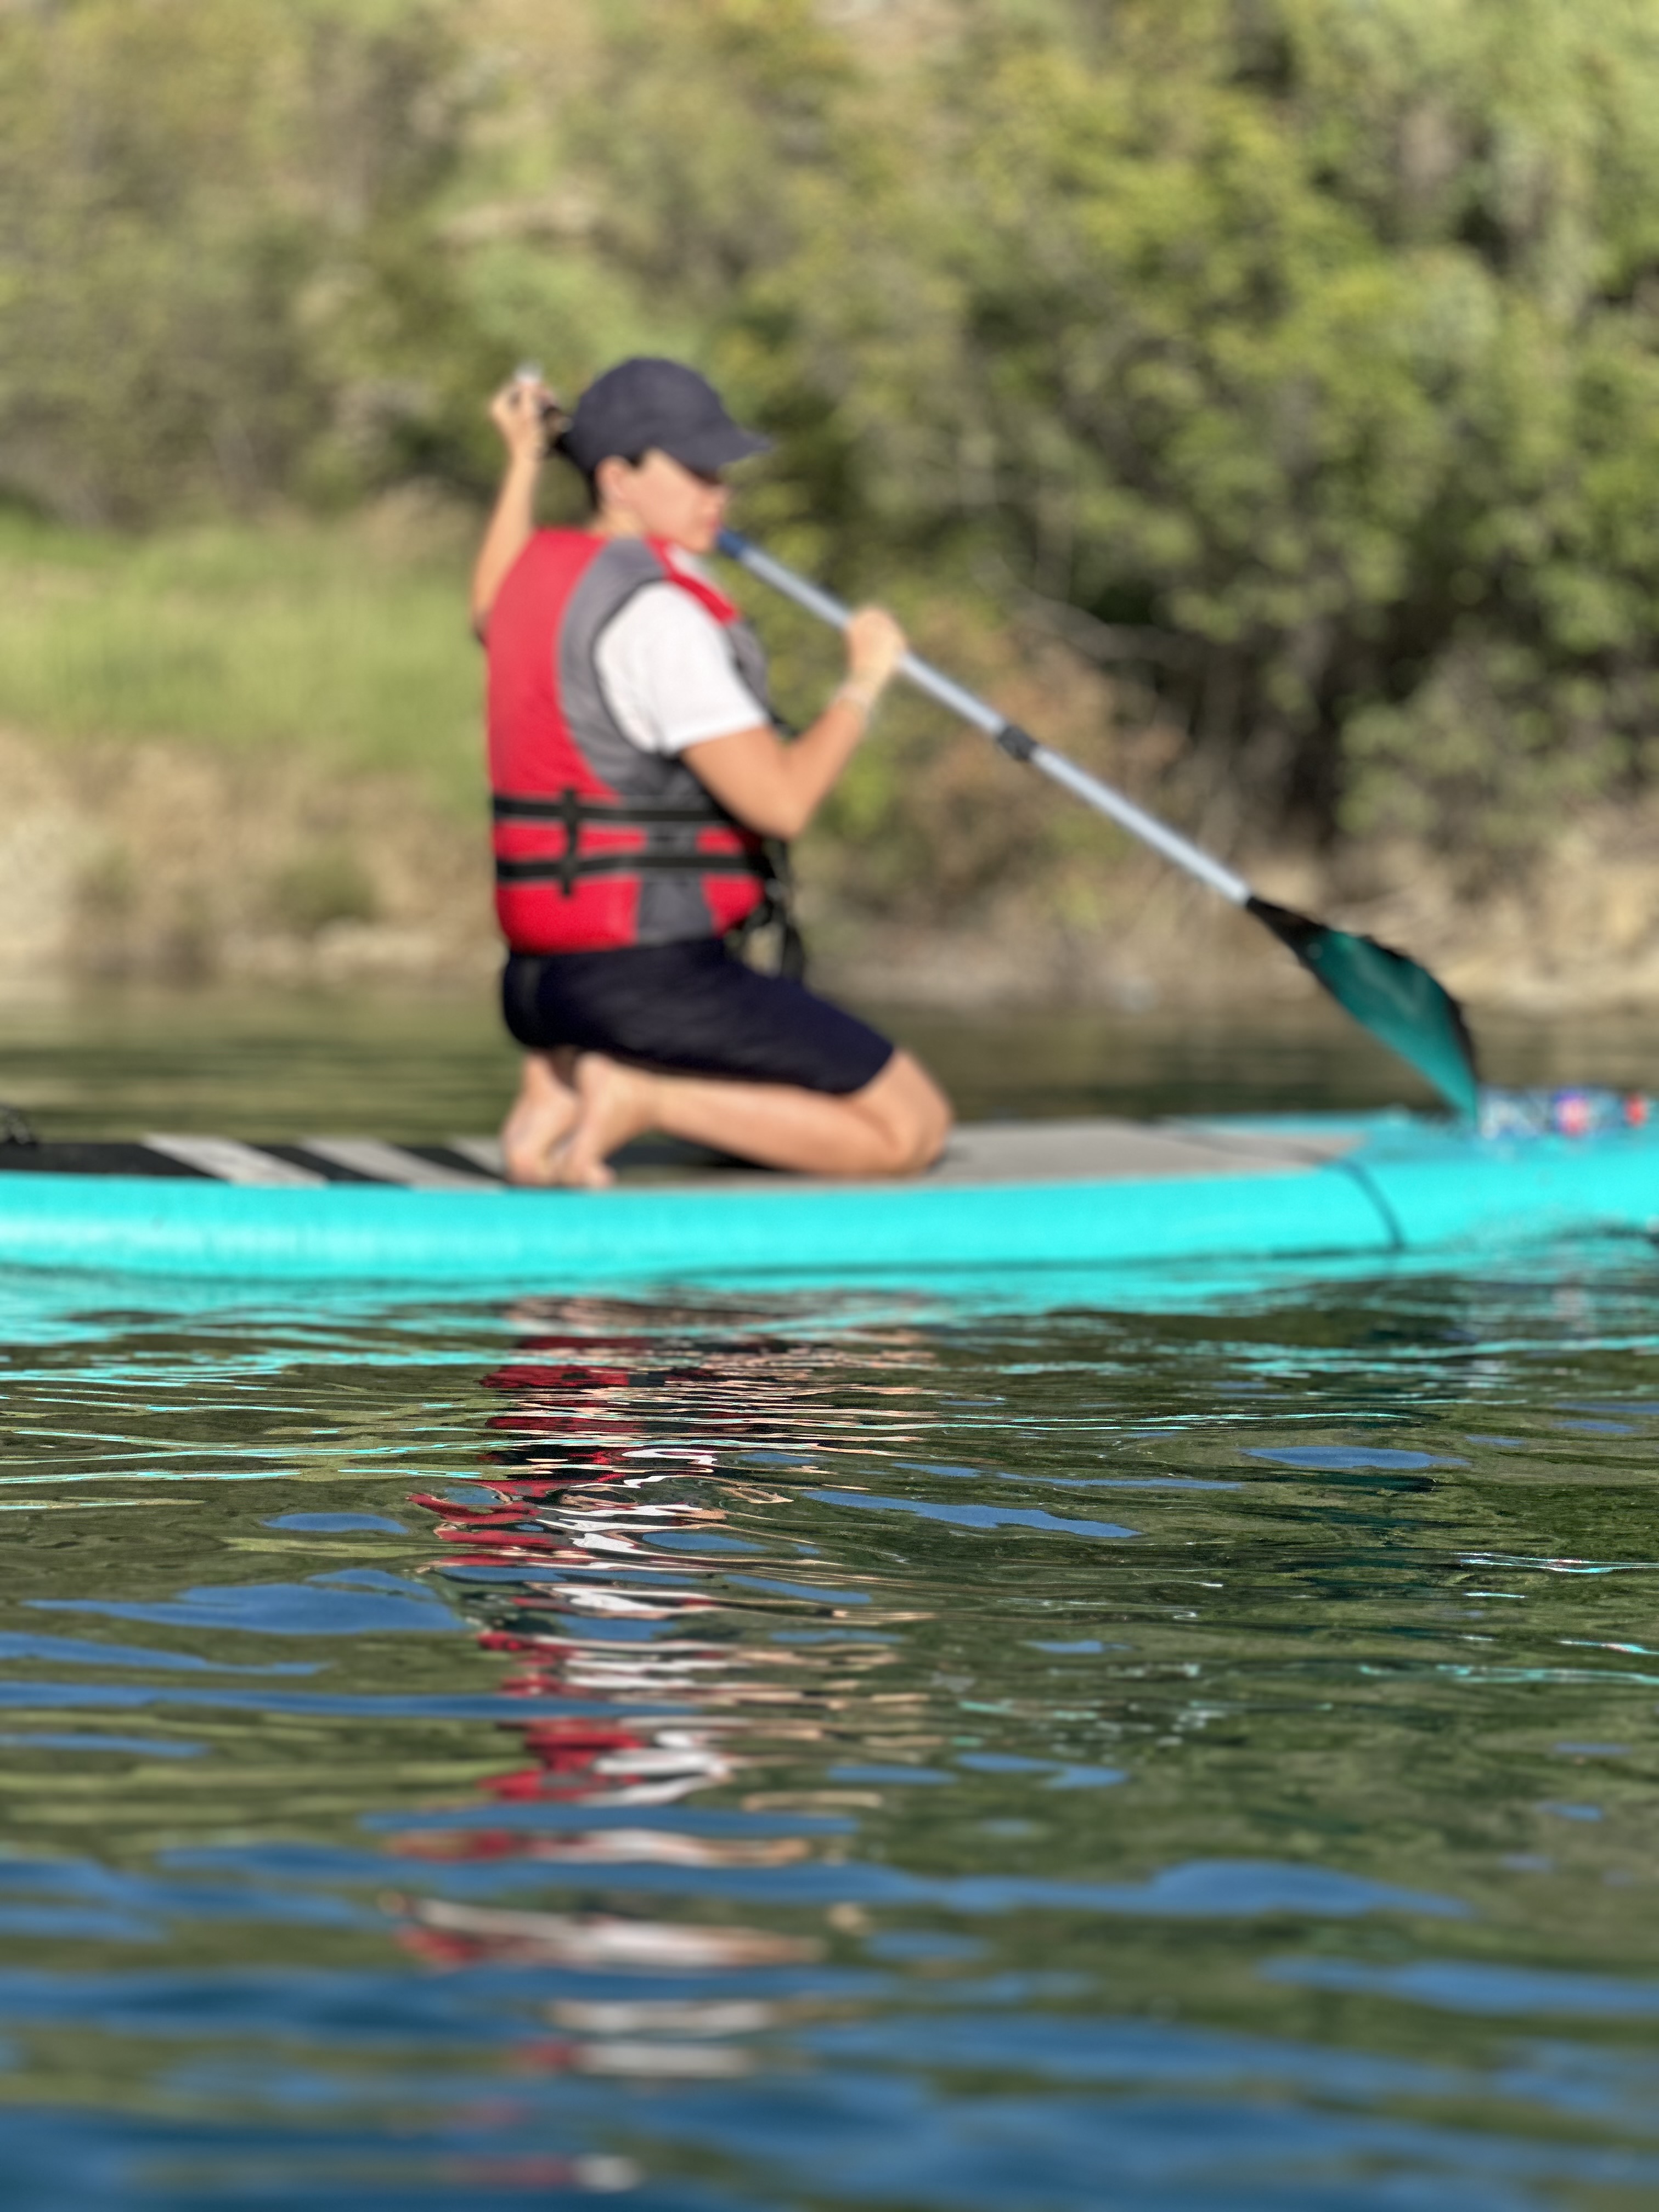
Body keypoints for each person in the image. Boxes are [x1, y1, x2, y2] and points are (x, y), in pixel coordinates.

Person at [471, 356, 953, 1189]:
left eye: (722, 472)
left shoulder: (532, 583)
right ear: (616, 479)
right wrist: (865, 681)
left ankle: (561, 1084)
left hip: (541, 982)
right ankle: (636, 1094)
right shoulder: (661, 619)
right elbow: (782, 804)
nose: (718, 494)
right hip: (646, 977)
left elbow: (489, 602)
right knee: (909, 1128)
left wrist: (521, 462)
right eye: (695, 472)